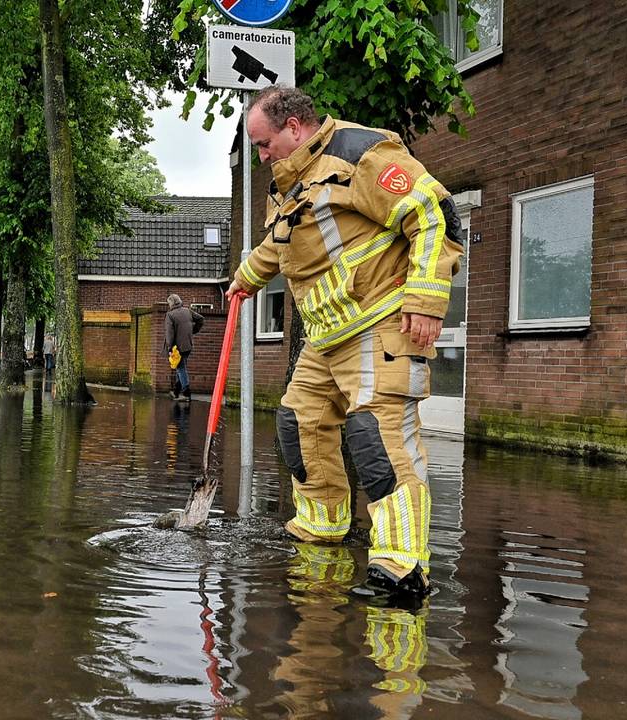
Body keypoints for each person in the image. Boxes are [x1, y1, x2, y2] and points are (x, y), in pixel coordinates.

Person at [226, 86, 463, 607]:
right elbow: (281, 241)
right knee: (298, 421)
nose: (261, 157)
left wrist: (425, 297)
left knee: (378, 436)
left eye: (264, 145)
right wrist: (246, 276)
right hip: (327, 336)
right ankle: (322, 528)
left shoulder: (361, 155)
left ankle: (402, 569)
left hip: (380, 322)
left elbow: (433, 211)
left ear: (293, 127)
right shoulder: (290, 182)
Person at [163, 294, 199, 401]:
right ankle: (176, 391)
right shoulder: (188, 311)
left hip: (176, 348)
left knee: (181, 368)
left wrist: (169, 349)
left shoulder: (170, 315)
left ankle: (187, 393)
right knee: (181, 367)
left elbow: (169, 334)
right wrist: (193, 330)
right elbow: (201, 319)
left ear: (171, 303)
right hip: (188, 345)